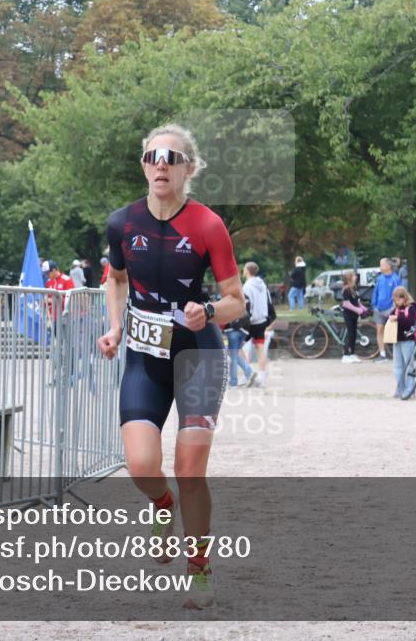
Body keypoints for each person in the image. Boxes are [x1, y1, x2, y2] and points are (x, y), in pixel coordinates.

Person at [97, 124, 245, 609]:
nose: (161, 163)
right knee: (141, 466)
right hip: (144, 355)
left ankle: (198, 571)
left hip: (198, 354)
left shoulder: (207, 225)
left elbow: (236, 302)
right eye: (153, 155)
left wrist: (210, 311)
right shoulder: (122, 223)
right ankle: (162, 504)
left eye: (172, 157)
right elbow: (115, 280)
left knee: (190, 471)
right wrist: (115, 327)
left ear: (188, 168)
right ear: (143, 164)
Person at [388, 286, 416, 400]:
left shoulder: (411, 308)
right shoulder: (396, 308)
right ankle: (400, 388)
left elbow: (410, 322)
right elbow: (390, 317)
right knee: (397, 366)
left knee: (408, 365)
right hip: (397, 340)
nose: (395, 302)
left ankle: (409, 389)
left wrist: (397, 318)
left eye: (397, 299)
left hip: (408, 340)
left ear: (403, 298)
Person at [242, 262, 271, 388]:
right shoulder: (262, 284)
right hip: (262, 319)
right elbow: (268, 301)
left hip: (251, 320)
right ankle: (262, 378)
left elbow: (247, 304)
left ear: (247, 271)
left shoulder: (247, 286)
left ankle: (248, 373)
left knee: (238, 346)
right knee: (260, 349)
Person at [371, 258, 400, 360]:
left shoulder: (395, 279)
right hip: (379, 309)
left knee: (393, 331)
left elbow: (398, 294)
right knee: (379, 331)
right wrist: (374, 305)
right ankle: (382, 354)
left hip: (390, 309)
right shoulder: (380, 279)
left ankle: (396, 354)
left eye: (382, 265)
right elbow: (376, 292)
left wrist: (394, 308)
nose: (380, 267)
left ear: (388, 266)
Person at [223, 304, 257, 388]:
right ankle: (249, 372)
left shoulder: (228, 303)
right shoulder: (241, 301)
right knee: (235, 355)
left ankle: (233, 383)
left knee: (233, 357)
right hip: (244, 331)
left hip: (232, 331)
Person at [340, 270, 369, 363]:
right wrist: (358, 310)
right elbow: (346, 304)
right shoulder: (346, 289)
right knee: (350, 333)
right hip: (348, 314)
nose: (355, 277)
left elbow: (357, 302)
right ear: (349, 278)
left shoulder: (354, 289)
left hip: (354, 315)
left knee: (354, 335)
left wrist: (364, 308)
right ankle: (345, 355)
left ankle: (352, 353)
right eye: (353, 276)